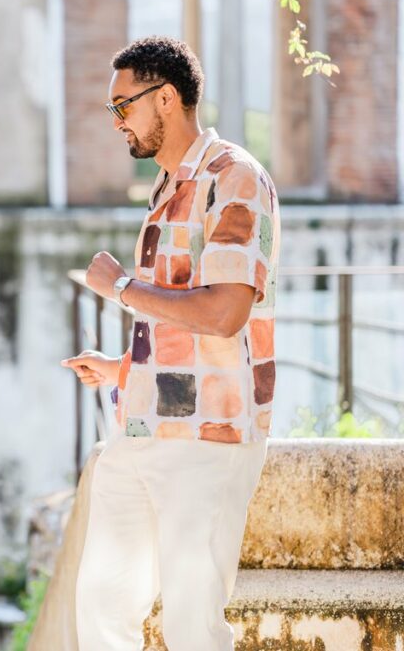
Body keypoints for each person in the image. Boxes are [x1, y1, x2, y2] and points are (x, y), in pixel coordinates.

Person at [61, 36, 281, 650]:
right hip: (144, 428)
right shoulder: (166, 189)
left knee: (193, 626)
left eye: (121, 106)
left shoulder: (232, 177)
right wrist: (124, 368)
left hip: (208, 437)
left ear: (166, 98)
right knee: (102, 610)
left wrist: (123, 286)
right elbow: (183, 324)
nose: (116, 123)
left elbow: (226, 310)